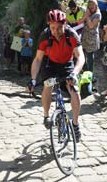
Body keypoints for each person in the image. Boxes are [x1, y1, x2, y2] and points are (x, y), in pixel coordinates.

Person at [28, 9, 85, 142]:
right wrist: (33, 79)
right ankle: (46, 116)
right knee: (48, 86)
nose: (56, 31)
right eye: (52, 28)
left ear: (65, 24)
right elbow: (37, 59)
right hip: (50, 65)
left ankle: (75, 124)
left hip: (67, 65)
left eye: (59, 28)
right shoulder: (45, 36)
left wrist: (74, 74)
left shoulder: (72, 34)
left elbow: (80, 57)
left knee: (74, 91)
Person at [80, 0, 101, 73]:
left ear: (96, 5)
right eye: (89, 4)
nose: (91, 6)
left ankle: (90, 74)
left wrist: (87, 16)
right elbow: (80, 21)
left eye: (93, 4)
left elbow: (91, 25)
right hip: (84, 37)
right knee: (82, 54)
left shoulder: (98, 15)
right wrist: (85, 15)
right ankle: (85, 71)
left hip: (92, 39)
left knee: (89, 56)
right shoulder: (87, 12)